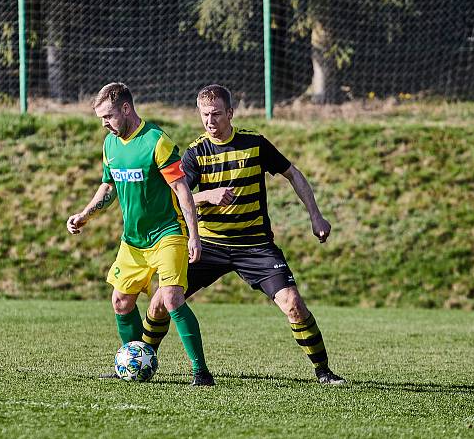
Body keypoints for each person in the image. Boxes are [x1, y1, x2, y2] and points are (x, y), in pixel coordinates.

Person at [146, 84, 346, 385]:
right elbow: (176, 194)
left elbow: (293, 173)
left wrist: (316, 215)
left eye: (215, 114)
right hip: (209, 244)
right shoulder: (196, 152)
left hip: (255, 246)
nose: (210, 122)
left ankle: (323, 372)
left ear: (230, 113)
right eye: (204, 115)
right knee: (161, 300)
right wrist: (208, 196)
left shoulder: (255, 144)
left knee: (294, 304)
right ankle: (140, 359)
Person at [66, 82, 215, 386]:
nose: (105, 124)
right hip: (133, 240)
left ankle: (201, 372)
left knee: (172, 300)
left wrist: (194, 236)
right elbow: (108, 187)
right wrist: (85, 215)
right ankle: (132, 364)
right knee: (121, 301)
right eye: (101, 120)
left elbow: (181, 189)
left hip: (168, 234)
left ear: (125, 108)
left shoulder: (156, 141)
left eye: (108, 117)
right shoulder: (110, 145)